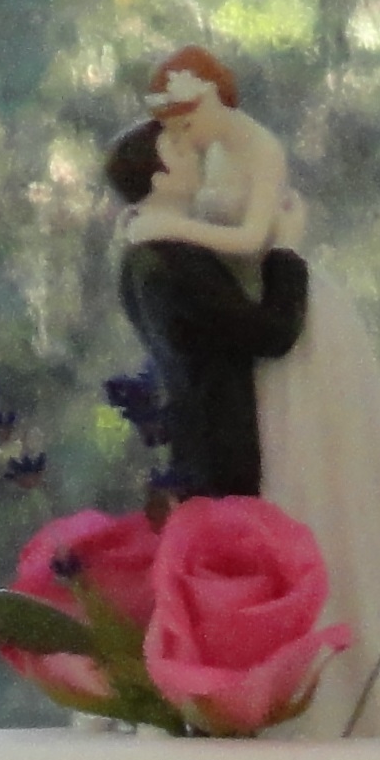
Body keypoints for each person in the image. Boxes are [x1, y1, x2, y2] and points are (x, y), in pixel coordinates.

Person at [123, 45, 380, 739]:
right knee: (296, 481)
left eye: (180, 123)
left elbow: (253, 242)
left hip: (299, 321)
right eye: (172, 135)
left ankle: (342, 668)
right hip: (269, 335)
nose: (179, 137)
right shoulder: (166, 249)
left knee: (325, 471)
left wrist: (176, 227)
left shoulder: (250, 158)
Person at [105, 118, 308, 499]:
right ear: (160, 179)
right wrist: (285, 253)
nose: (195, 154)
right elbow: (271, 332)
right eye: (179, 151)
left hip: (200, 443)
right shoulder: (173, 264)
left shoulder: (148, 254)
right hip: (221, 449)